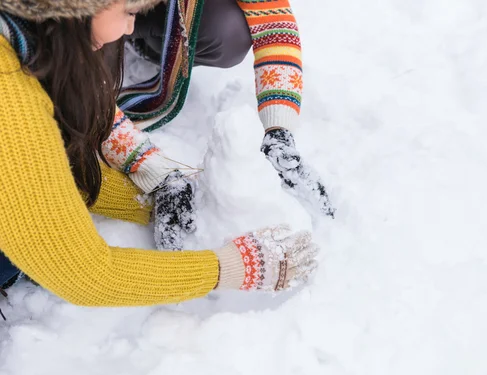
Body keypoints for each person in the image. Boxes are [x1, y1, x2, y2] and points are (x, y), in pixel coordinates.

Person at [0, 0, 319, 307]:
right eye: (129, 11)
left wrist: (153, 195)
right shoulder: (11, 97)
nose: (130, 27)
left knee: (226, 29)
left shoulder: (30, 34)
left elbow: (40, 177)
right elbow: (85, 273)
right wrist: (231, 268)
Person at [124, 0, 336, 219]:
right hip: (94, 12)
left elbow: (274, 24)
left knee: (230, 30)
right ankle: (101, 39)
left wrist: (278, 131)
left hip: (154, 14)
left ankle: (132, 34)